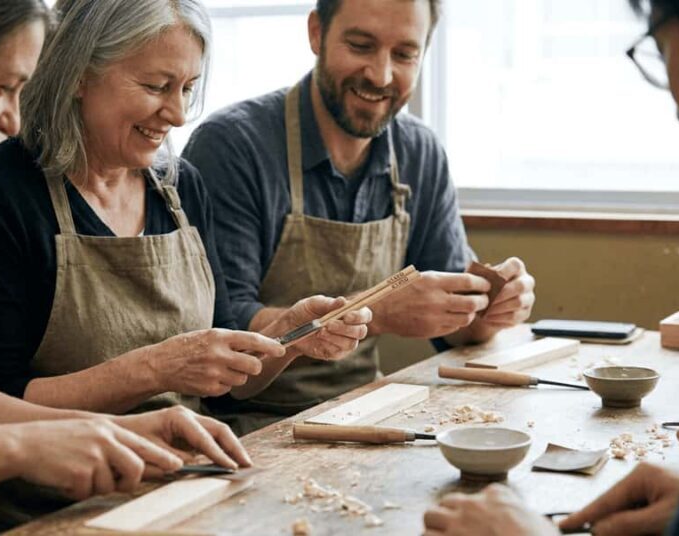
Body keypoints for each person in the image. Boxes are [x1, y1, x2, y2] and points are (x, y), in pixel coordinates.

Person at [0, 0, 371, 531]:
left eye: (187, 88)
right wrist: (155, 369)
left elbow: (228, 383)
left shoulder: (181, 187)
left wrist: (288, 337)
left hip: (187, 485)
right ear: (79, 74)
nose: (179, 113)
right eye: (156, 86)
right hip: (54, 508)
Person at [0, 1, 256, 535]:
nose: (12, 120)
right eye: (3, 87)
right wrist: (26, 446)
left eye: (187, 88)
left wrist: (134, 430)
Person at [182, 0, 537, 435]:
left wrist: (493, 305)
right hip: (247, 426)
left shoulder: (419, 152)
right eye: (361, 45)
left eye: (404, 54)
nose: (381, 75)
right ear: (316, 33)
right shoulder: (233, 147)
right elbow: (228, 333)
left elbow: (457, 331)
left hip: (366, 410)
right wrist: (377, 311)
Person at [423, 0, 679, 534]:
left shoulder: (418, 152)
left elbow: (455, 326)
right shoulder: (253, 141)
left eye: (660, 47)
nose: (677, 110)